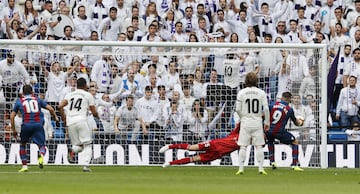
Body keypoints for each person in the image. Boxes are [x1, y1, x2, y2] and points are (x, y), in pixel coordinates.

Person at [10, 85, 58, 172]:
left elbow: (12, 117)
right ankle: (41, 155)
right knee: (42, 145)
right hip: (38, 125)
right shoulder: (37, 99)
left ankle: (24, 166)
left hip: (26, 125)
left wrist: (14, 130)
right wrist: (55, 117)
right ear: (32, 92)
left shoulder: (19, 101)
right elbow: (50, 108)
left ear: (22, 93)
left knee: (23, 145)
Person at [58, 78, 99, 172]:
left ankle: (72, 150)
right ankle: (86, 166)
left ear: (77, 85)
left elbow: (60, 106)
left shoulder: (69, 95)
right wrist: (97, 116)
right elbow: (93, 112)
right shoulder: (88, 95)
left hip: (70, 122)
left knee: (79, 146)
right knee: (88, 145)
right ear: (85, 85)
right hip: (81, 121)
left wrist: (64, 119)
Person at [159, 123, 240, 167]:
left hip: (216, 154)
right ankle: (169, 146)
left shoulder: (243, 143)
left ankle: (170, 163)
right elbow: (240, 124)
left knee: (193, 159)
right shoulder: (235, 134)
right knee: (191, 148)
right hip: (213, 144)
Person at [235, 72, 270, 175]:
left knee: (243, 146)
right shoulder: (261, 93)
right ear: (256, 80)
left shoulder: (241, 92)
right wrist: (267, 122)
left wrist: (243, 117)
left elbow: (237, 109)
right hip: (257, 122)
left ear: (246, 81)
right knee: (259, 146)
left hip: (246, 122)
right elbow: (266, 108)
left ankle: (241, 169)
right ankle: (260, 168)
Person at [266, 92, 305, 171]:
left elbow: (264, 115)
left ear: (281, 98)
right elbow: (296, 123)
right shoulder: (289, 109)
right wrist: (301, 122)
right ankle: (294, 165)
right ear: (290, 99)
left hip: (268, 130)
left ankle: (272, 161)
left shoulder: (271, 105)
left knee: (270, 141)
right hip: (279, 132)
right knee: (295, 142)